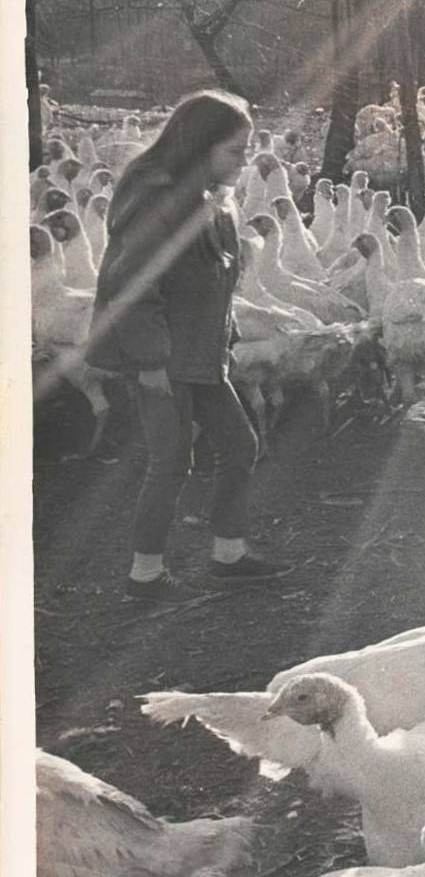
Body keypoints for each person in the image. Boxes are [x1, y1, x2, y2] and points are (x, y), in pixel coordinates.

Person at [86, 89, 292, 601]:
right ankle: (145, 573)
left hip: (201, 354)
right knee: (171, 460)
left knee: (239, 445)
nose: (243, 162)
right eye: (235, 151)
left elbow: (215, 279)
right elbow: (132, 283)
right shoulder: (158, 199)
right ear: (201, 147)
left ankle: (229, 554)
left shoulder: (211, 198)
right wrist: (150, 361)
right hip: (162, 358)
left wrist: (227, 339)